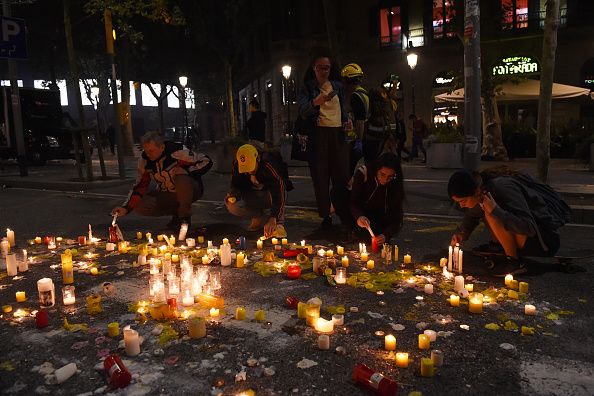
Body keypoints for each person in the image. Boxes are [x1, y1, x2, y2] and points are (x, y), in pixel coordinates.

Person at [448, 166, 562, 276]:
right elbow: (472, 215)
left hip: (544, 241)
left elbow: (528, 227)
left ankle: (515, 261)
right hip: (528, 237)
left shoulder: (503, 187)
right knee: (487, 208)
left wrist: (495, 212)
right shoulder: (483, 190)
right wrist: (463, 233)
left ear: (477, 191)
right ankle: (497, 246)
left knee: (490, 211)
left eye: (463, 201)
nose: (462, 206)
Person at [112, 131, 212, 231]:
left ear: (162, 147)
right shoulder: (145, 162)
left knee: (182, 178)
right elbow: (139, 185)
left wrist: (188, 171)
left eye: (151, 150)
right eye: (146, 150)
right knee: (139, 205)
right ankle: (177, 213)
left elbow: (206, 161)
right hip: (167, 193)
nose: (148, 154)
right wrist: (126, 208)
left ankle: (184, 218)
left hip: (191, 190)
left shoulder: (178, 153)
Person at [298, 48, 352, 229]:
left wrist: (348, 120)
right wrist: (316, 102)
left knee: (342, 176)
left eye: (327, 68)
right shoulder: (308, 87)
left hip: (338, 134)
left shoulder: (338, 86)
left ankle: (345, 214)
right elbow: (303, 111)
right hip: (318, 134)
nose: (323, 71)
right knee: (320, 178)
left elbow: (343, 109)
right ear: (313, 68)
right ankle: (325, 216)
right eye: (320, 67)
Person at [331, 152, 405, 244]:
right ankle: (352, 230)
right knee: (338, 192)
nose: (385, 180)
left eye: (390, 176)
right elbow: (353, 201)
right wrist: (359, 216)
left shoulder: (395, 183)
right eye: (382, 175)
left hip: (375, 214)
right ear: (376, 170)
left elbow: (396, 216)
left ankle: (361, 233)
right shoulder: (364, 173)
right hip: (357, 210)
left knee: (370, 237)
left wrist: (386, 235)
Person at [224, 144, 288, 238]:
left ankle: (278, 224)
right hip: (253, 194)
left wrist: (274, 218)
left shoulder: (269, 164)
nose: (249, 171)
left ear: (258, 158)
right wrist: (232, 194)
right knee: (233, 206)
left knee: (280, 192)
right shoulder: (237, 165)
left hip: (269, 194)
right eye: (245, 168)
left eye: (251, 166)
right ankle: (259, 216)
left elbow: (279, 190)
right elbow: (236, 184)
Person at [341, 63, 368, 175]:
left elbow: (360, 120)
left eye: (345, 79)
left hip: (358, 139)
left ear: (350, 79)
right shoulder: (364, 93)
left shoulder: (356, 96)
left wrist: (358, 141)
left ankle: (350, 190)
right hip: (367, 136)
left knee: (347, 169)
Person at [364, 87, 391, 164]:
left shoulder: (369, 104)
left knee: (369, 158)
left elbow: (366, 118)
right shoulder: (383, 105)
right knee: (376, 155)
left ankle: (369, 171)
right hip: (381, 134)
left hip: (370, 135)